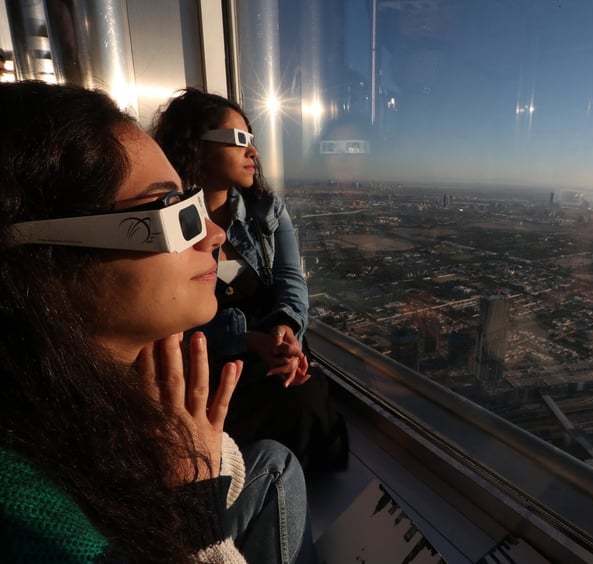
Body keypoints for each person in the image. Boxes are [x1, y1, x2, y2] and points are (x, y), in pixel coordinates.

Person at [0, 80, 316, 563]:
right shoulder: (38, 523)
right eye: (173, 211)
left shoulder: (97, 399)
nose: (211, 235)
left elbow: (290, 283)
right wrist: (196, 520)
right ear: (44, 259)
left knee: (274, 459)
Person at [151, 88, 348, 473]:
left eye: (252, 141)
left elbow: (293, 281)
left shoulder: (267, 212)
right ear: (197, 147)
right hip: (208, 366)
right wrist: (245, 339)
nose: (252, 152)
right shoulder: (163, 227)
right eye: (239, 140)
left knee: (304, 397)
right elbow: (165, 322)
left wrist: (286, 328)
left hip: (269, 351)